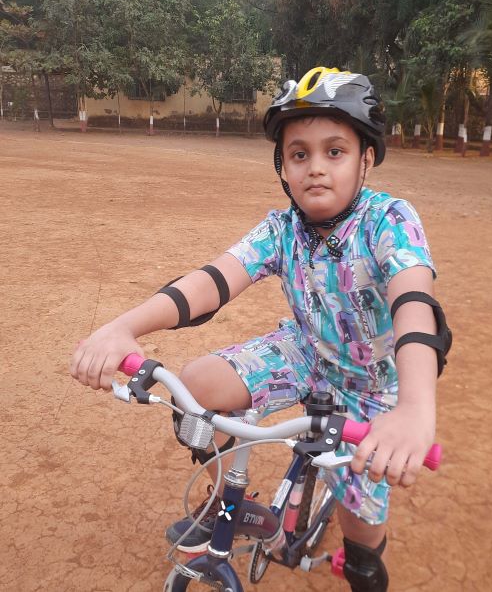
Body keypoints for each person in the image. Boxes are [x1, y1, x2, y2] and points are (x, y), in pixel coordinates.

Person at [70, 66, 451, 592]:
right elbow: (209, 284)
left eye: (334, 151)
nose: (315, 168)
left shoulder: (389, 220)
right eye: (299, 154)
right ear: (283, 167)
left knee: (362, 545)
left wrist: (414, 407)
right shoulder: (282, 228)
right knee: (196, 388)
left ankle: (361, 563)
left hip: (372, 386)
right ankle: (234, 501)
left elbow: (414, 303)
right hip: (304, 350)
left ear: (366, 158)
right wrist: (123, 326)